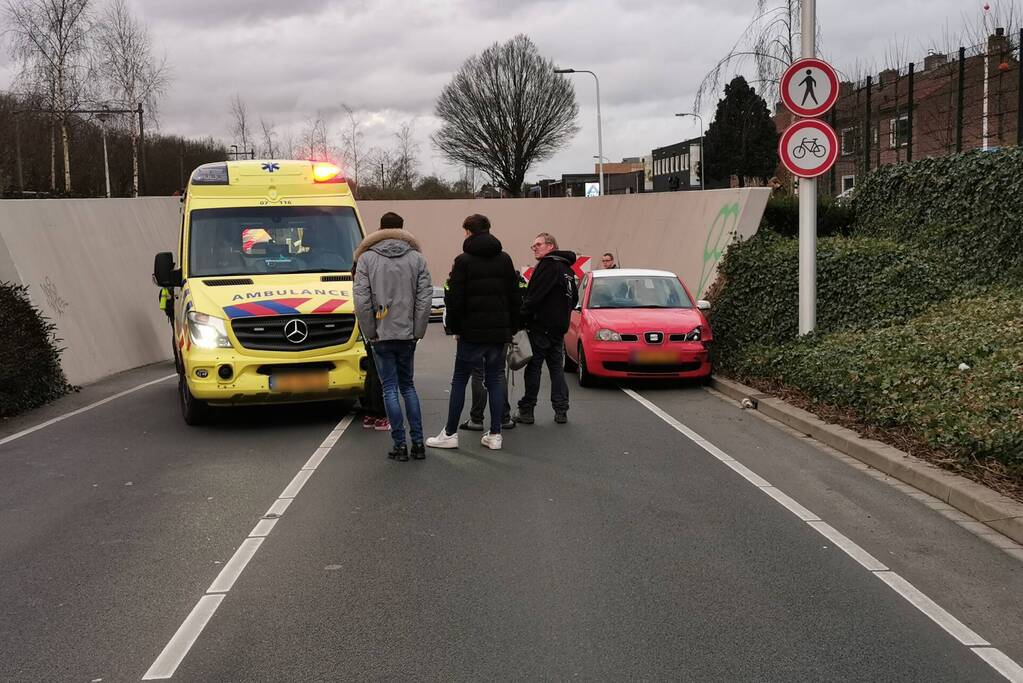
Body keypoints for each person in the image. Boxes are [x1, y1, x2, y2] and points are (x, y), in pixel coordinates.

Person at [427, 214, 520, 451]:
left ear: (468, 231)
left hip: (471, 333)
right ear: (488, 230)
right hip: (499, 333)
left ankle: (449, 433)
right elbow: (514, 296)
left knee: (460, 379)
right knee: (496, 378)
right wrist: (512, 327)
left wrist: (456, 328)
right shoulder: (505, 259)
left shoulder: (463, 261)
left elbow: (455, 298)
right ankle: (496, 434)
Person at [353, 212, 432, 461]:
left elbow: (362, 301)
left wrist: (370, 332)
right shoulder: (417, 259)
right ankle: (418, 442)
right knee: (408, 386)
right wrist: (418, 330)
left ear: (379, 228)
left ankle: (400, 445)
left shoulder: (366, 259)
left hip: (381, 333)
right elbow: (425, 298)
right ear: (402, 229)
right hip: (407, 333)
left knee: (389, 388)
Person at [515, 232, 577, 425]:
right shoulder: (567, 269)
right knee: (556, 369)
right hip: (559, 328)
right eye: (533, 245)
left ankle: (527, 410)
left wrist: (520, 319)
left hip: (540, 326)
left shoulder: (547, 265)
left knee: (534, 369)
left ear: (550, 245)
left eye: (538, 244)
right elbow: (573, 298)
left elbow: (534, 296)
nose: (534, 248)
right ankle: (561, 410)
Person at [352, 213, 407, 432]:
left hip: (372, 319)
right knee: (393, 375)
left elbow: (360, 292)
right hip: (398, 320)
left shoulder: (363, 254)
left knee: (373, 369)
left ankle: (372, 414)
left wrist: (367, 326)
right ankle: (384, 414)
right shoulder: (406, 254)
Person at [459, 271, 528, 432]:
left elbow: (457, 299)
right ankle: (504, 418)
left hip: (475, 330)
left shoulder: (470, 266)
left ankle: (476, 419)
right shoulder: (505, 267)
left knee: (478, 374)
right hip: (500, 330)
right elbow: (519, 298)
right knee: (498, 373)